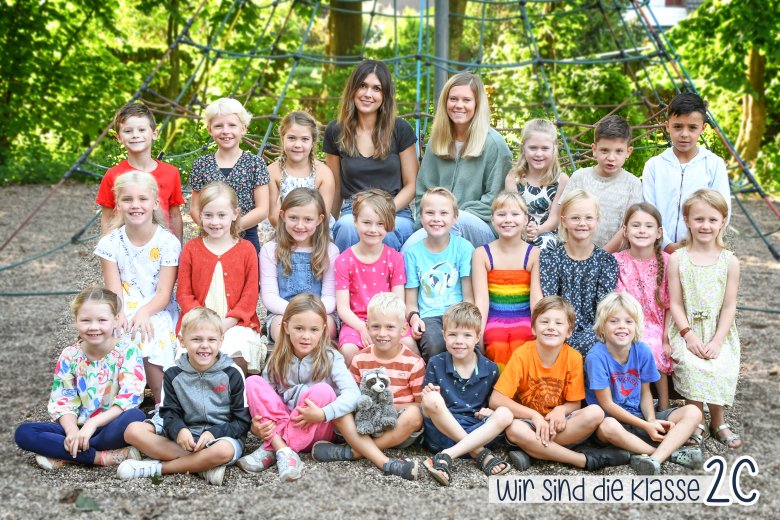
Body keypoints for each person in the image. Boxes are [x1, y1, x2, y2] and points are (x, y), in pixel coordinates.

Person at [490, 296, 630, 472]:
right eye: (545, 322)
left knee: (595, 413)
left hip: (560, 426)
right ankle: (582, 459)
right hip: (529, 424)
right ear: (533, 328)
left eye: (558, 323)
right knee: (514, 429)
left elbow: (575, 403)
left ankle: (532, 450)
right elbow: (496, 400)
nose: (551, 328)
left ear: (569, 331)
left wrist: (561, 410)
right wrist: (534, 416)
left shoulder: (573, 357)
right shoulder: (522, 354)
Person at [14, 287, 146, 470]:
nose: (94, 327)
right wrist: (72, 431)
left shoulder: (128, 351)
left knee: (135, 417)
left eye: (102, 320)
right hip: (76, 426)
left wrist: (93, 423)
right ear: (76, 320)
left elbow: (129, 397)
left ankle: (64, 453)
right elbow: (63, 399)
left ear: (116, 320)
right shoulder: (70, 355)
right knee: (24, 433)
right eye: (85, 320)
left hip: (109, 427)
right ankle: (101, 457)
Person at [118, 307, 251, 486]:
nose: (204, 345)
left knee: (223, 451)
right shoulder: (173, 373)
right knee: (133, 431)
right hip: (183, 436)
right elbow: (169, 413)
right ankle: (202, 465)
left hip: (219, 438)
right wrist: (179, 430)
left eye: (211, 340)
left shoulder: (232, 373)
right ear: (182, 340)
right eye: (196, 339)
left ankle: (157, 468)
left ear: (221, 341)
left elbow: (241, 421)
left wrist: (214, 433)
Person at [237, 294, 360, 481]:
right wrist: (256, 426)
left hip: (317, 427)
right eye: (299, 328)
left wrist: (324, 413)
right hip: (286, 420)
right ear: (285, 327)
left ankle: (275, 447)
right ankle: (285, 452)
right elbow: (266, 400)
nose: (306, 336)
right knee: (253, 383)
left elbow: (353, 394)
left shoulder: (332, 357)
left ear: (324, 330)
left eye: (313, 330)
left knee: (323, 391)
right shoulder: (277, 359)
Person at [585, 292, 704, 475]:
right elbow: (606, 404)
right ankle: (667, 453)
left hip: (640, 417)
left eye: (628, 321)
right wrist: (646, 427)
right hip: (612, 423)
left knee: (693, 412)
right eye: (613, 321)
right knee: (607, 427)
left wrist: (651, 420)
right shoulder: (596, 357)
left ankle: (654, 459)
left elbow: (645, 393)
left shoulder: (642, 350)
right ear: (602, 327)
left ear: (636, 326)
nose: (622, 327)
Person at [94, 171, 180, 406]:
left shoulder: (168, 242)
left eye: (142, 199)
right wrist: (119, 314)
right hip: (123, 304)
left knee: (151, 331)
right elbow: (114, 292)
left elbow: (164, 293)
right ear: (118, 204)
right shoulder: (110, 243)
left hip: (157, 306)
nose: (135, 205)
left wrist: (143, 312)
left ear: (155, 203)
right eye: (127, 199)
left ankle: (164, 404)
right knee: (115, 329)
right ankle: (118, 403)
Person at [667, 189, 741, 449]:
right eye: (699, 219)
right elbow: (675, 302)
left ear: (723, 221)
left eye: (712, 219)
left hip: (719, 330)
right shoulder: (677, 259)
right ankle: (695, 418)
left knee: (720, 363)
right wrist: (688, 335)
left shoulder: (729, 261)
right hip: (686, 328)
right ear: (687, 220)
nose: (705, 225)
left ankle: (718, 421)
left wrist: (718, 340)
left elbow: (729, 305)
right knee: (692, 363)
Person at [311, 293, 425, 462]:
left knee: (415, 415)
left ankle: (357, 451)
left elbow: (420, 404)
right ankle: (366, 448)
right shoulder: (359, 359)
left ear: (403, 329)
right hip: (366, 425)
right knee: (340, 411)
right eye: (376, 326)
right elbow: (350, 396)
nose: (382, 333)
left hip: (397, 428)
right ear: (367, 326)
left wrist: (390, 406)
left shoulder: (414, 363)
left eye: (390, 327)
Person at [407, 72, 513, 250]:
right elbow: (423, 191)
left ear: (477, 104)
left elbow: (496, 200)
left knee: (457, 223)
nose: (459, 105)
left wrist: (451, 216)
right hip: (437, 223)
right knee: (408, 249)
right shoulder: (437, 141)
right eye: (453, 99)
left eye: (466, 100)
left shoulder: (494, 143)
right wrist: (425, 221)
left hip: (482, 227)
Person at [323, 60, 418, 251]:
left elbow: (412, 185)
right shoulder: (336, 130)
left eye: (377, 89)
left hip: (395, 211)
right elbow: (336, 188)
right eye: (363, 86)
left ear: (385, 95)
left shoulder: (400, 129)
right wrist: (328, 226)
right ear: (353, 90)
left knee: (388, 232)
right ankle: (345, 280)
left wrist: (384, 211)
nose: (368, 94)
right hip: (354, 212)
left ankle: (389, 281)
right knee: (347, 227)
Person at [176, 182, 265, 375]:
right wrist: (204, 323)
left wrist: (225, 324)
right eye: (208, 215)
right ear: (199, 215)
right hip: (197, 321)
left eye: (221, 215)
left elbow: (250, 296)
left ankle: (235, 396)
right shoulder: (191, 248)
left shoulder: (246, 249)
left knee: (237, 349)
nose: (215, 222)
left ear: (235, 214)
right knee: (196, 349)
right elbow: (184, 294)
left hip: (235, 322)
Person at [421, 303, 513, 486]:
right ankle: (479, 454)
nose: (459, 341)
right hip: (443, 432)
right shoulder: (436, 363)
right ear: (444, 335)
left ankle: (447, 456)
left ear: (477, 337)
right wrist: (429, 396)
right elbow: (426, 409)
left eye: (467, 335)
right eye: (453, 334)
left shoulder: (490, 368)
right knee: (430, 399)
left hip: (477, 431)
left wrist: (489, 412)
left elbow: (491, 406)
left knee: (505, 413)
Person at [335, 189, 416, 367]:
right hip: (357, 322)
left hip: (389, 320)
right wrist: (363, 328)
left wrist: (383, 328)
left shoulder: (395, 258)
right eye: (367, 223)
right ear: (355, 222)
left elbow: (398, 302)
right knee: (349, 350)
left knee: (409, 344)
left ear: (389, 225)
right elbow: (343, 308)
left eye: (380, 224)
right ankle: (356, 389)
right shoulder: (344, 261)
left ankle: (407, 384)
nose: (373, 229)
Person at [641, 92, 731, 254]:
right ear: (667, 126)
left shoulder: (713, 164)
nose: (684, 134)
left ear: (703, 128)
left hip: (700, 251)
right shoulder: (654, 166)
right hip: (658, 253)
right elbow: (649, 210)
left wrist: (694, 245)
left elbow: (722, 210)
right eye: (678, 126)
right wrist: (666, 245)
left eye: (692, 127)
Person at [540, 189, 618, 357]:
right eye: (575, 218)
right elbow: (551, 301)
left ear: (597, 220)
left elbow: (604, 308)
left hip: (595, 330)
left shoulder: (606, 262)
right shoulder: (551, 259)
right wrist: (563, 329)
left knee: (597, 346)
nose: (582, 223)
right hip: (558, 326)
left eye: (588, 217)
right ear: (564, 221)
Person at [189, 97, 270, 253]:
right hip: (210, 236)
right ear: (209, 129)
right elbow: (195, 208)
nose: (225, 131)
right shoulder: (201, 164)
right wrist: (213, 228)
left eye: (232, 125)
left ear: (243, 128)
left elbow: (262, 209)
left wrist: (231, 229)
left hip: (246, 235)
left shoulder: (255, 164)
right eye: (219, 126)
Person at [613, 202, 673, 409]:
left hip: (658, 326)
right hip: (627, 323)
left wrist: (666, 338)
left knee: (654, 346)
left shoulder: (667, 262)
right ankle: (631, 404)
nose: (641, 230)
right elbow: (617, 302)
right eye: (635, 225)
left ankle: (663, 405)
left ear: (659, 233)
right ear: (625, 231)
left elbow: (670, 306)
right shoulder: (617, 261)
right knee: (634, 343)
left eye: (648, 226)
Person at [260, 188, 340, 343]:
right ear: (283, 216)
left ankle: (318, 365)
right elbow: (269, 296)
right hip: (282, 313)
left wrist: (311, 315)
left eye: (308, 219)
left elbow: (330, 297)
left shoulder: (330, 251)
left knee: (327, 329)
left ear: (319, 219)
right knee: (282, 330)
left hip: (320, 312)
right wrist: (296, 314)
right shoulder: (270, 250)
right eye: (293, 218)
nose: (300, 225)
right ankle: (288, 365)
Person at [473, 191, 541, 371]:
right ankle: (498, 393)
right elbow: (481, 300)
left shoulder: (534, 254)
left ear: (526, 219)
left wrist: (539, 328)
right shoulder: (482, 254)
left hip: (525, 317)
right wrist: (478, 333)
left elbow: (536, 299)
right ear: (493, 219)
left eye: (515, 214)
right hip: (494, 318)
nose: (508, 219)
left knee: (524, 341)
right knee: (496, 343)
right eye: (501, 214)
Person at [96, 103, 185, 241]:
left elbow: (175, 216)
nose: (135, 135)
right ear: (119, 137)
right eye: (128, 131)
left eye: (142, 130)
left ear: (154, 134)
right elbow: (107, 218)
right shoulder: (113, 175)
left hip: (161, 248)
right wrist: (108, 251)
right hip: (125, 247)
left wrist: (178, 251)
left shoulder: (171, 173)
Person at [404, 187, 474, 361]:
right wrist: (414, 319)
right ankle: (433, 385)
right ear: (420, 217)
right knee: (434, 344)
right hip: (429, 317)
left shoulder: (464, 248)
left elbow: (469, 296)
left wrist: (469, 322)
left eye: (444, 213)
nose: (437, 219)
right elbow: (411, 302)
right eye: (430, 213)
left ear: (455, 217)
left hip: (459, 313)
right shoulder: (412, 254)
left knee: (472, 345)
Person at [560, 115, 642, 253]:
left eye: (618, 151)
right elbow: (565, 217)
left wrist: (601, 255)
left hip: (614, 256)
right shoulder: (580, 177)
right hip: (576, 252)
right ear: (594, 149)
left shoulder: (633, 184)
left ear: (628, 152)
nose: (611, 157)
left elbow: (627, 227)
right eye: (604, 150)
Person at [505, 118, 569, 251]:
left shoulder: (561, 180)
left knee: (544, 243)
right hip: (518, 229)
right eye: (533, 148)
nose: (538, 154)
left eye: (545, 148)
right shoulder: (514, 178)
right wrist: (525, 230)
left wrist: (537, 230)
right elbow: (513, 211)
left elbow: (555, 219)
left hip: (548, 234)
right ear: (524, 149)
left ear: (554, 149)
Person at [267, 111, 336, 227]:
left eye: (304, 139)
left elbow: (323, 214)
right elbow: (273, 216)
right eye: (292, 138)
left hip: (315, 232)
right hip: (281, 231)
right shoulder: (272, 172)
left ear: (313, 141)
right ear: (282, 138)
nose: (297, 145)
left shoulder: (324, 174)